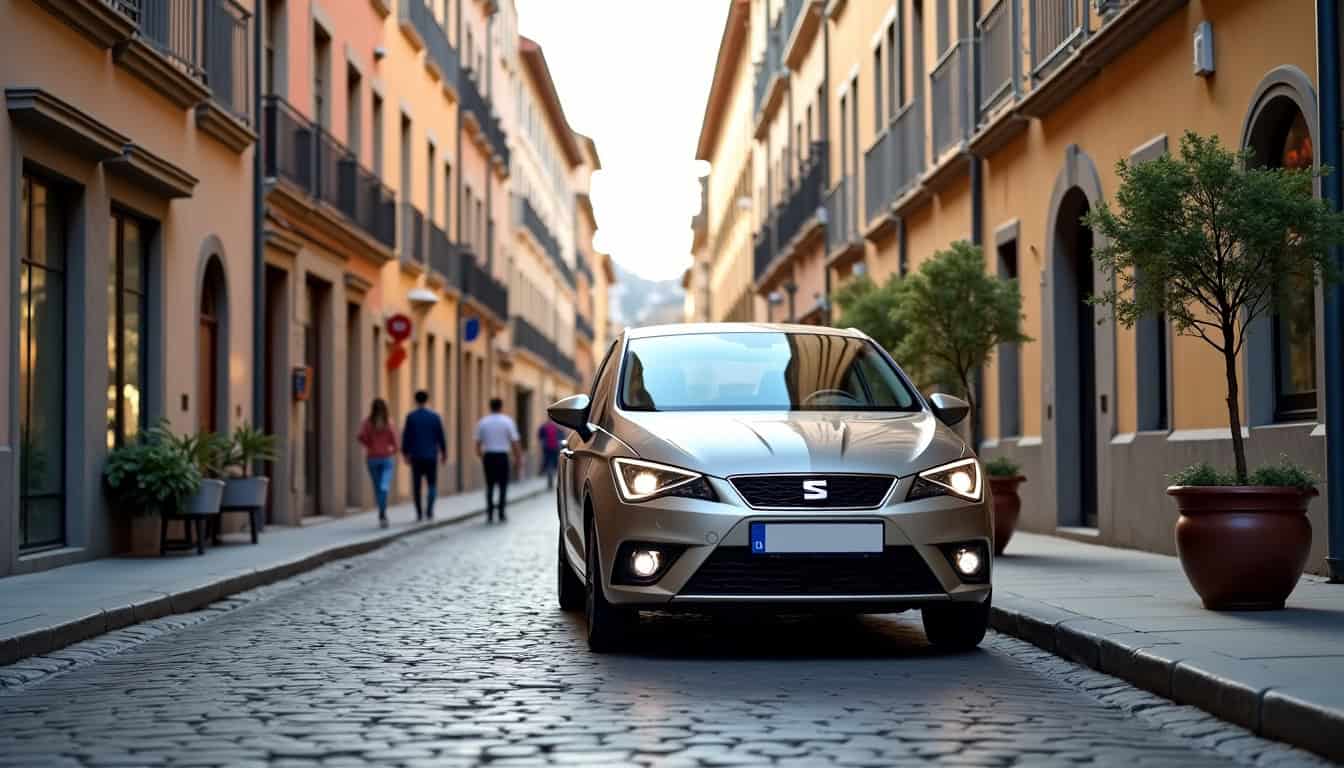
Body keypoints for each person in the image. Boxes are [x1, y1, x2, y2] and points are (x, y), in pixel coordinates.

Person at [401, 390, 447, 521]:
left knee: (417, 486)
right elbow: (441, 436)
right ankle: (430, 511)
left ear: (415, 400)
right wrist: (444, 452)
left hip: (416, 456)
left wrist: (405, 453)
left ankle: (419, 513)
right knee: (432, 484)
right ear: (427, 400)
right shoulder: (435, 417)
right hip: (431, 456)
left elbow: (406, 436)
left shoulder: (411, 416)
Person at [476, 398, 522, 523]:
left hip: (489, 456)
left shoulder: (483, 422)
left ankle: (490, 513)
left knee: (489, 485)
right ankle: (501, 513)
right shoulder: (507, 422)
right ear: (501, 407)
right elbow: (514, 442)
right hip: (502, 456)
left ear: (490, 407)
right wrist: (518, 458)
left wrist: (482, 456)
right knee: (503, 486)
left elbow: (478, 444)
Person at [357, 398, 398, 528]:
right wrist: (392, 450)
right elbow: (395, 442)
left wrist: (370, 445)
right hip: (386, 458)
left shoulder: (367, 423)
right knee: (384, 486)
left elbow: (360, 437)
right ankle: (382, 514)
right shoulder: (389, 423)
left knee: (377, 487)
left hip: (372, 458)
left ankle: (382, 513)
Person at [538, 419, 565, 489]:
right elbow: (562, 437)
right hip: (555, 449)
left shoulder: (543, 427)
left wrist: (542, 444)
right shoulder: (557, 427)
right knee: (554, 464)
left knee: (548, 464)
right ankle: (552, 478)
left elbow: (540, 436)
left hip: (546, 449)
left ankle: (549, 480)